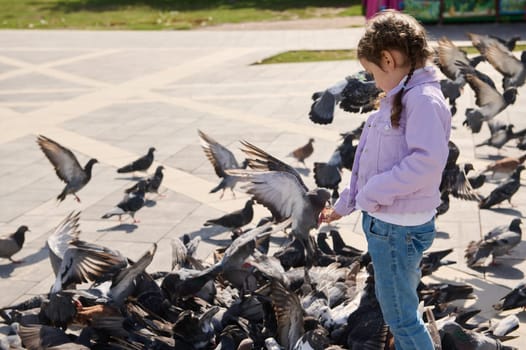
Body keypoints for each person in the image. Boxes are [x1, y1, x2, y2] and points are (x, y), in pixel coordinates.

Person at [320, 10, 451, 350]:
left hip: (396, 227)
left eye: (372, 72)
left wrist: (372, 194)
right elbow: (370, 161)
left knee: (402, 320)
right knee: (397, 307)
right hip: (391, 223)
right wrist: (346, 203)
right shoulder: (402, 94)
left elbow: (427, 162)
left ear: (389, 59)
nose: (373, 81)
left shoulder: (421, 99)